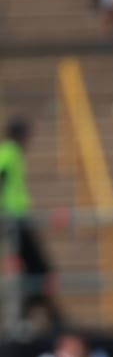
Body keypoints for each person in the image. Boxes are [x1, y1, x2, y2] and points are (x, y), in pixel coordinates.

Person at [0, 117, 61, 331]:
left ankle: (38, 315)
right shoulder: (9, 152)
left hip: (17, 218)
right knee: (35, 269)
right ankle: (35, 317)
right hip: (11, 220)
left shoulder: (11, 153)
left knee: (34, 269)